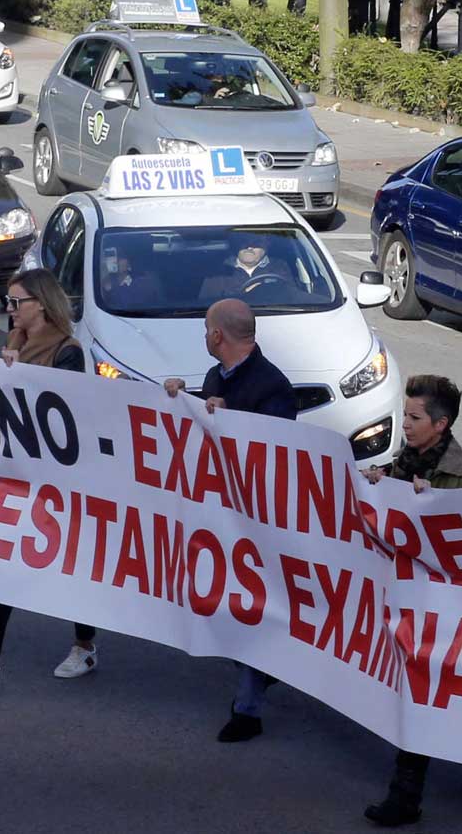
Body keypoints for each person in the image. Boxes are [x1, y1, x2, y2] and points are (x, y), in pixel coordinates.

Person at [0, 268, 95, 690]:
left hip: (56, 482)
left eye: (15, 302)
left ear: (39, 304)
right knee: (3, 558)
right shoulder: (14, 345)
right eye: (8, 303)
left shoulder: (68, 350)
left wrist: (15, 375)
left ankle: (84, 644)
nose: (9, 310)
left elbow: (66, 414)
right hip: (15, 479)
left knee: (71, 567)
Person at [361, 375, 462, 827]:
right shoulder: (404, 462)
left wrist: (433, 508)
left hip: (446, 611)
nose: (405, 425)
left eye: (414, 418)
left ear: (441, 424)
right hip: (410, 605)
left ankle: (406, 798)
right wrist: (378, 487)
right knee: (438, 696)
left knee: (431, 696)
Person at [164, 298, 296, 742]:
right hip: (223, 517)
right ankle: (260, 676)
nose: (204, 336)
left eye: (206, 329)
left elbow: (272, 452)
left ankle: (247, 710)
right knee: (234, 606)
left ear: (217, 335)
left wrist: (229, 419)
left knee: (253, 609)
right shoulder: (214, 378)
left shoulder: (272, 386)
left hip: (258, 522)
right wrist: (186, 401)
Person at [199, 233, 296, 301]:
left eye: (256, 242)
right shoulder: (218, 270)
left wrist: (264, 289)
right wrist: (242, 294)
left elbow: (292, 296)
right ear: (237, 244)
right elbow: (207, 303)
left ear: (267, 244)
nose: (249, 247)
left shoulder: (279, 266)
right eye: (244, 242)